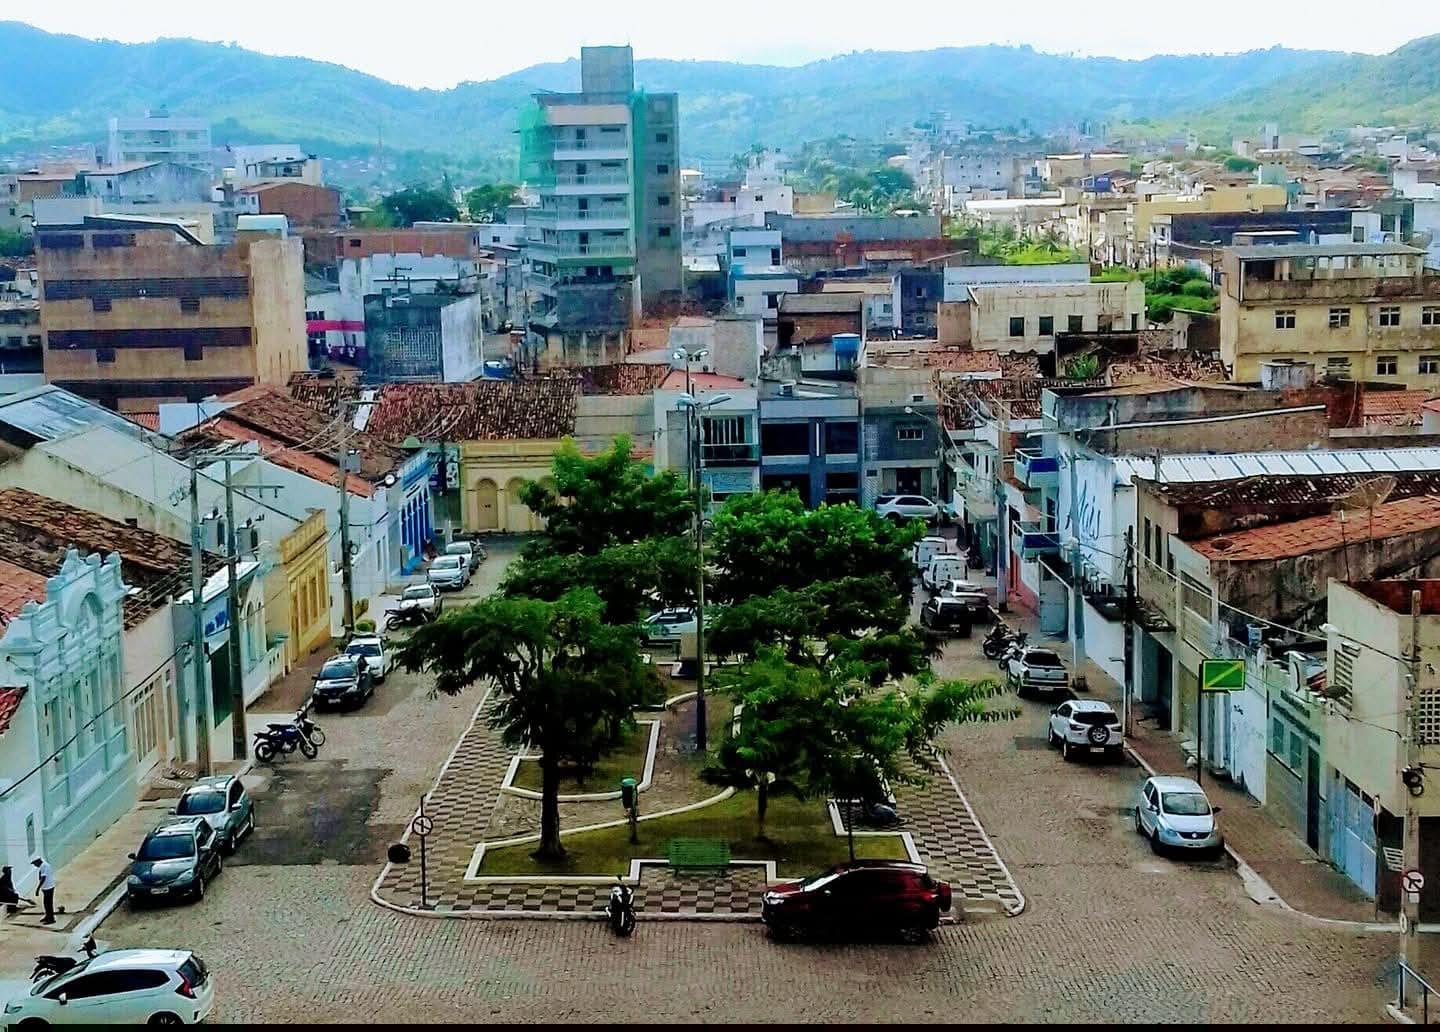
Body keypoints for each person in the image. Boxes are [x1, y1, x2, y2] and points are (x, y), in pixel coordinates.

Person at [31, 856, 54, 924]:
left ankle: (51, 919)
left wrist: (37, 889)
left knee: (48, 904)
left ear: (38, 861)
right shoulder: (44, 865)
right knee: (46, 903)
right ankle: (48, 916)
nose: (35, 865)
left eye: (35, 864)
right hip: (46, 887)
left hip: (48, 888)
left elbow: (43, 878)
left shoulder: (44, 866)